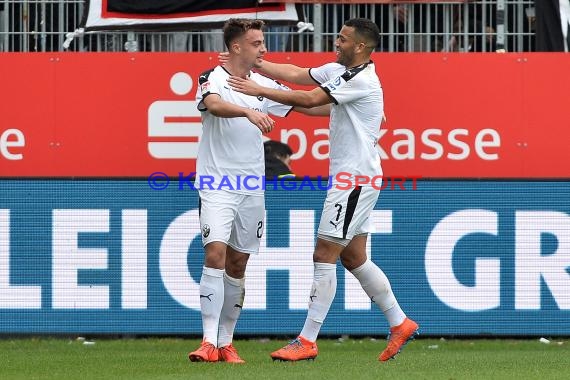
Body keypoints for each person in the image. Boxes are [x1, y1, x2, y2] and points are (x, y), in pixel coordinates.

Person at [227, 18, 418, 362]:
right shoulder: (340, 70)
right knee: (354, 256)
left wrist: (259, 89)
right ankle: (399, 322)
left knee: (323, 255)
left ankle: (307, 340)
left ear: (360, 46)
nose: (336, 41)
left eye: (342, 39)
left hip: (353, 180)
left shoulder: (360, 79)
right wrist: (255, 64)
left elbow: (310, 97)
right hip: (354, 178)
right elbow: (298, 74)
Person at [189, 18, 328, 364]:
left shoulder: (263, 83)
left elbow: (310, 106)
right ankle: (207, 342)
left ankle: (225, 343)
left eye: (263, 42)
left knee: (238, 264)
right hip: (217, 183)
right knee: (215, 255)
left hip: (251, 187)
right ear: (236, 47)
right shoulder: (212, 78)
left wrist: (354, 108)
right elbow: (215, 105)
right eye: (256, 43)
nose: (263, 49)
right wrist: (249, 111)